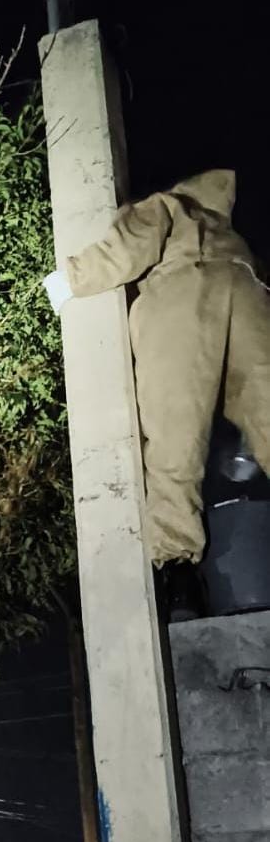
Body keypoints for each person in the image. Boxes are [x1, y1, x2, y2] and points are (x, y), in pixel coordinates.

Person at [43, 170, 270, 617]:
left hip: (181, 292)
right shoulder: (232, 235)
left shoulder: (166, 206)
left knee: (174, 436)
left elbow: (131, 245)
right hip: (250, 293)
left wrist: (70, 279)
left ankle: (178, 570)